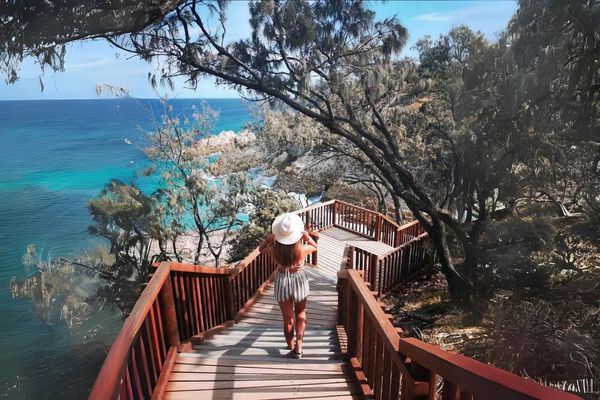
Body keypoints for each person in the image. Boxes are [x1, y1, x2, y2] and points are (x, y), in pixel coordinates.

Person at [258, 212, 318, 359]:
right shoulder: (302, 249)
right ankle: (299, 345)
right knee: (300, 314)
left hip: (282, 282)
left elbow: (261, 250)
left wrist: (268, 239)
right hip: (299, 280)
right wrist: (307, 237)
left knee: (288, 319)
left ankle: (291, 346)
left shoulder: (275, 251)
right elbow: (314, 246)